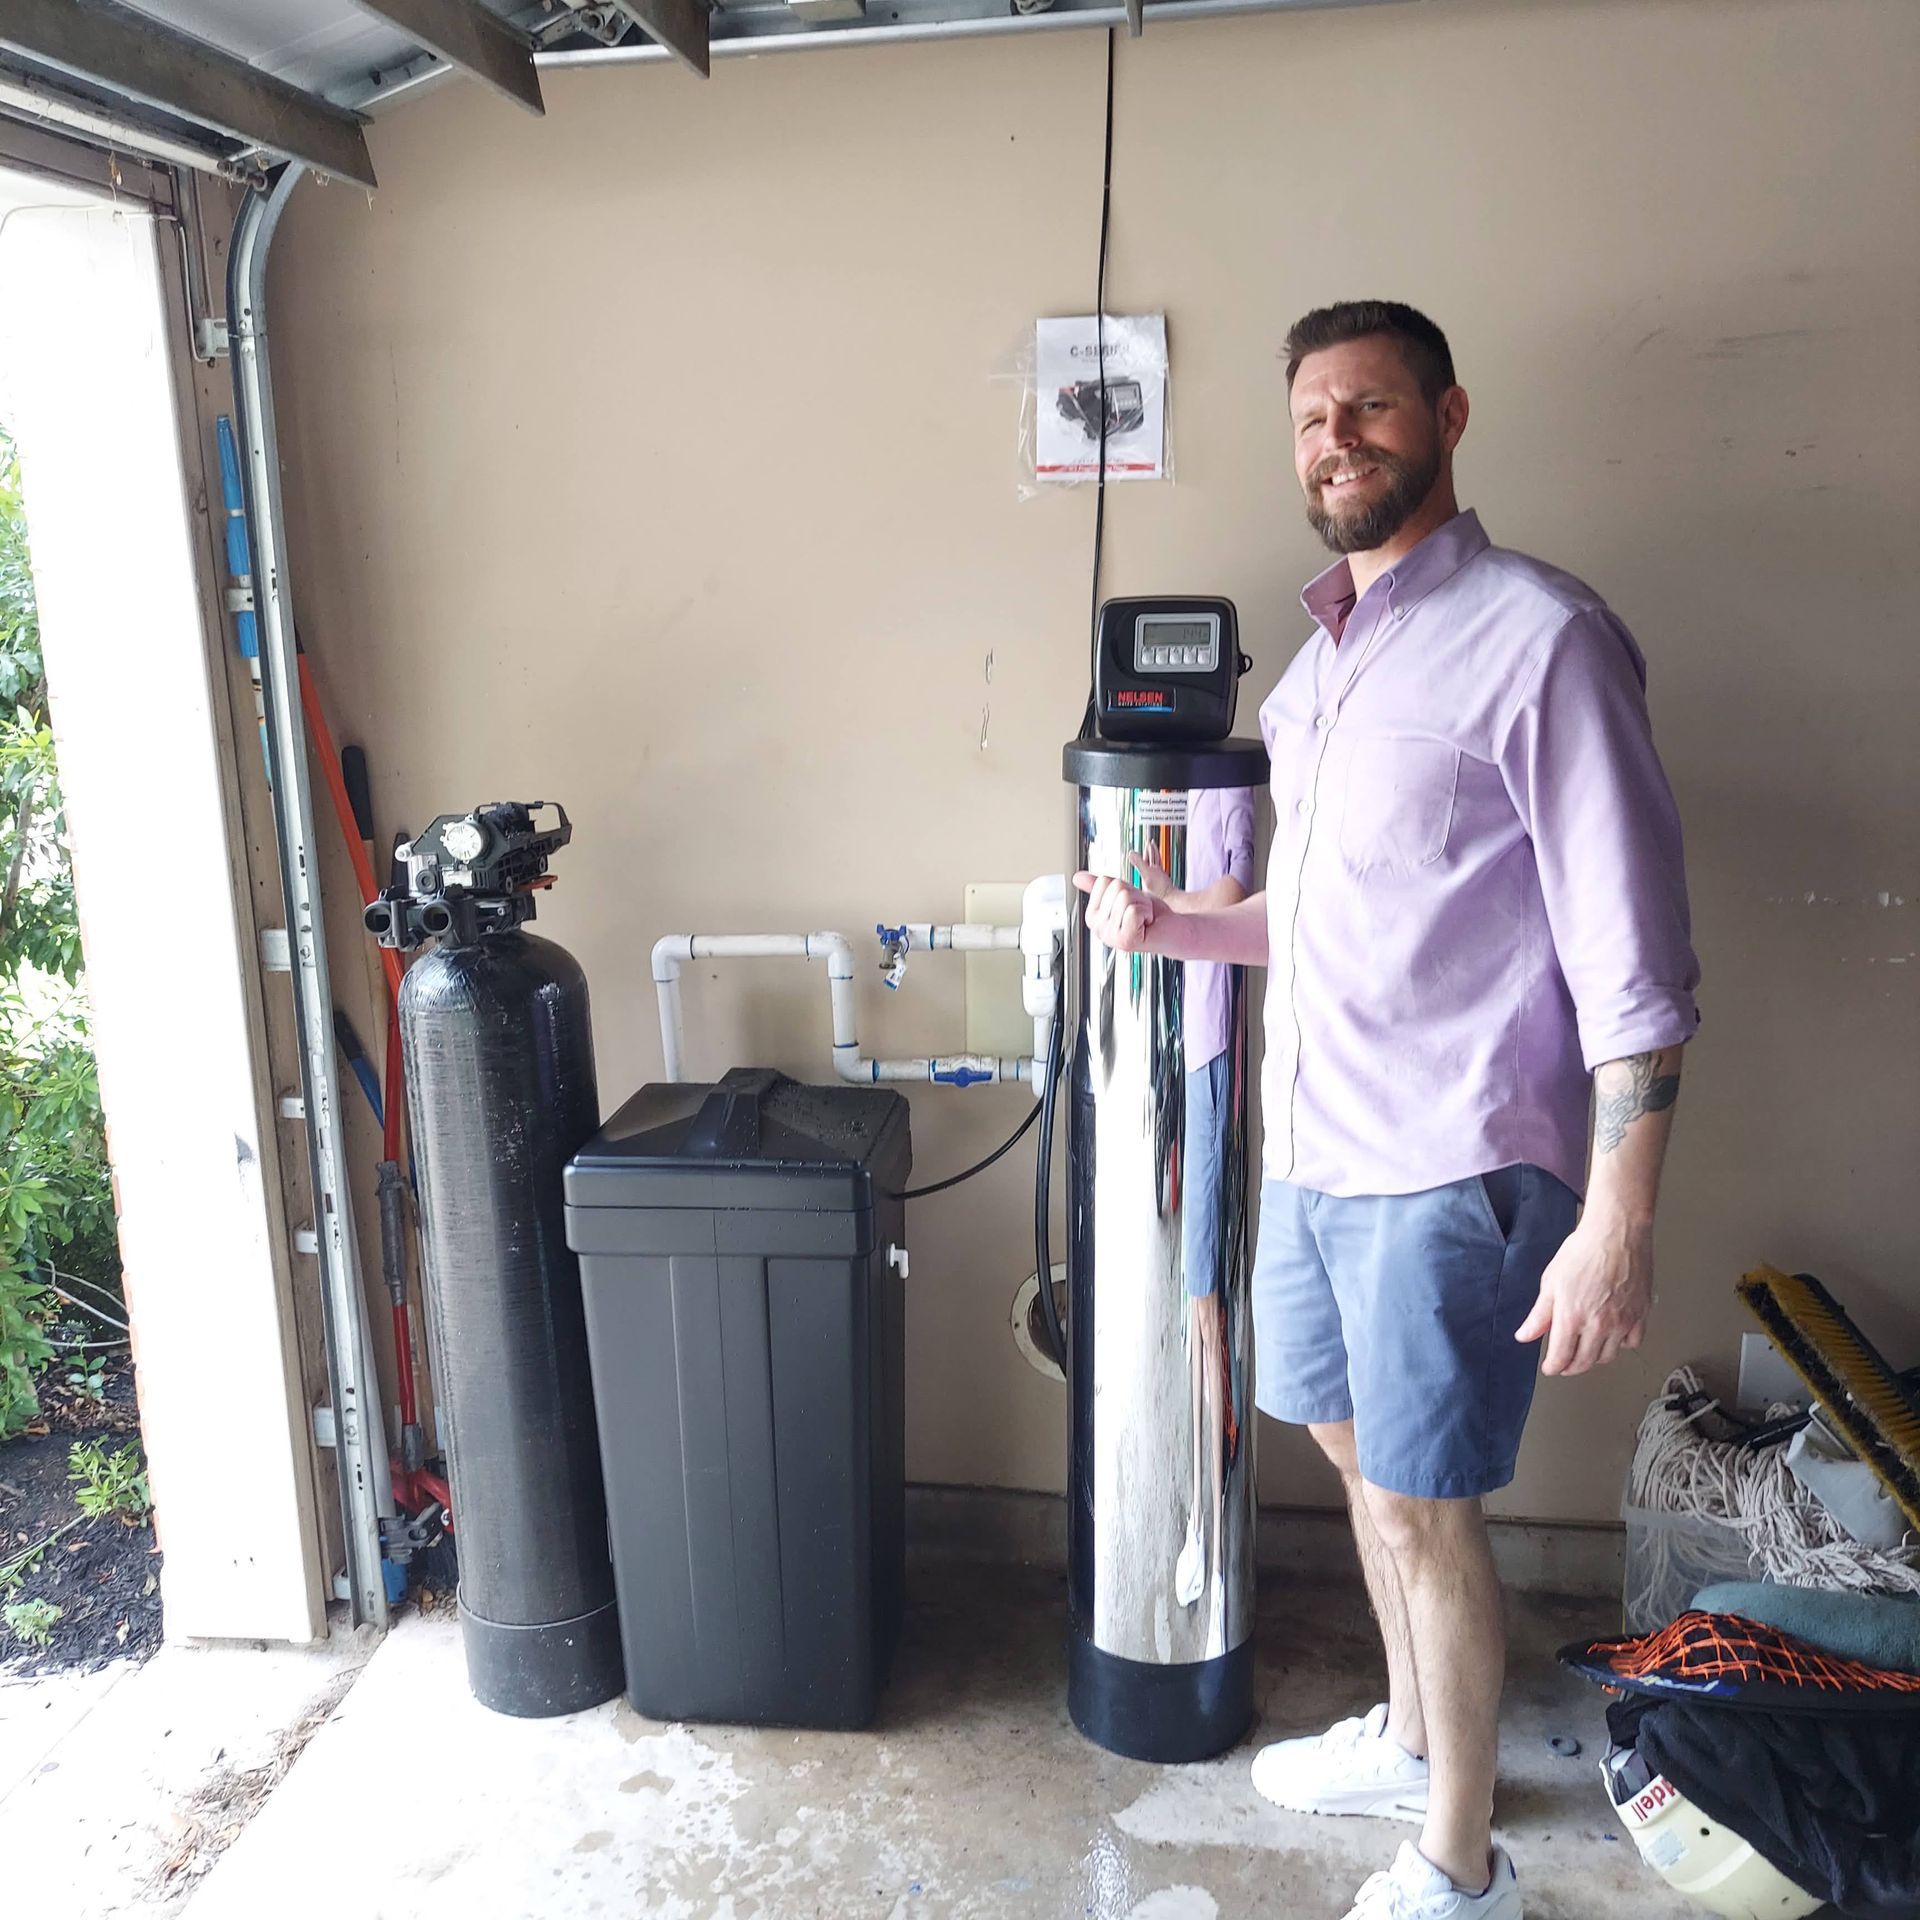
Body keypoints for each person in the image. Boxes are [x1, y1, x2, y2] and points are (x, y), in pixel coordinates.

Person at [1074, 300, 1699, 1920]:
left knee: (1426, 1510)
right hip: (1319, 1157)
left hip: (1455, 1169)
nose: (1334, 439)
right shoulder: (1323, 663)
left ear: (1446, 417)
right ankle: (1417, 1740)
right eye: (1309, 419)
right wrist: (1176, 927)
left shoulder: (1541, 636)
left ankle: (1461, 1862)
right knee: (1363, 1478)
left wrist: (1621, 1215)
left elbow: (1635, 966)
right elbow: (1329, 910)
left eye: (1367, 408)